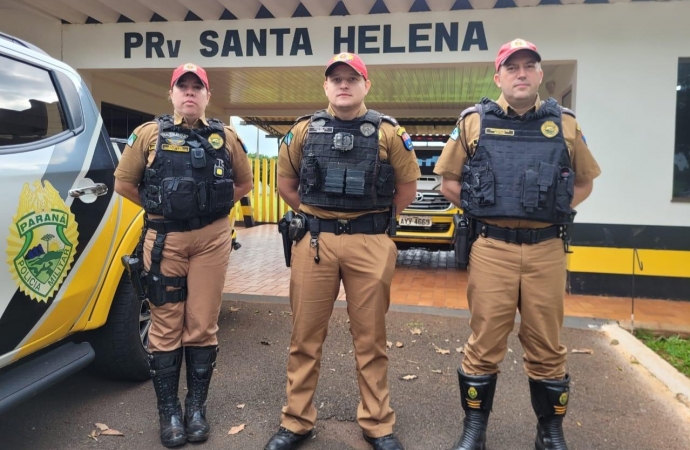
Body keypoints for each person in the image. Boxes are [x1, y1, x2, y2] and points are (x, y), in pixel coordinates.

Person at [434, 39, 601, 450]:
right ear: (499, 77)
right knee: (486, 339)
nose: (521, 73)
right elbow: (449, 183)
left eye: (529, 66)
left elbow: (584, 181)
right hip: (492, 247)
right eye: (513, 67)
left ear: (540, 75)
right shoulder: (473, 122)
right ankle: (475, 430)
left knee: (547, 342)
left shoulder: (564, 124)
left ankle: (550, 432)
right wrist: (483, 209)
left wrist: (555, 208)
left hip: (546, 249)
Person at [264, 52, 420, 450]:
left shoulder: (388, 132)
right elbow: (286, 184)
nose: (344, 84)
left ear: (366, 85)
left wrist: (369, 226)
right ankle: (296, 420)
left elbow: (406, 190)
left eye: (353, 78)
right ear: (326, 86)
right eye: (336, 78)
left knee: (371, 339)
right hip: (315, 241)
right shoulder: (302, 131)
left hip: (371, 241)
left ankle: (377, 423)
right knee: (305, 336)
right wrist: (321, 219)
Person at [114, 63, 253, 448]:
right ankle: (169, 412)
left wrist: (208, 203)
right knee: (165, 325)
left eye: (198, 87)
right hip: (164, 240)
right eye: (183, 87)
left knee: (202, 324)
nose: (190, 93)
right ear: (171, 94)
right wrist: (161, 204)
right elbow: (124, 183)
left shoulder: (225, 136)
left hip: (211, 239)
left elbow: (245, 183)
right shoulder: (148, 134)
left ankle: (195, 407)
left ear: (207, 95)